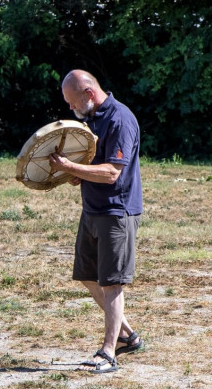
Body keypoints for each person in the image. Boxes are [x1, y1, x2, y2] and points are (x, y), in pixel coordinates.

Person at [49, 70, 144, 373]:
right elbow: (93, 165)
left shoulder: (120, 119)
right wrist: (76, 173)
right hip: (92, 211)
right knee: (87, 276)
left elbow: (112, 172)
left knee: (112, 283)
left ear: (88, 93)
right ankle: (128, 336)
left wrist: (70, 166)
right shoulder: (90, 120)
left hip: (116, 212)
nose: (70, 107)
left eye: (72, 101)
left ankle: (108, 352)